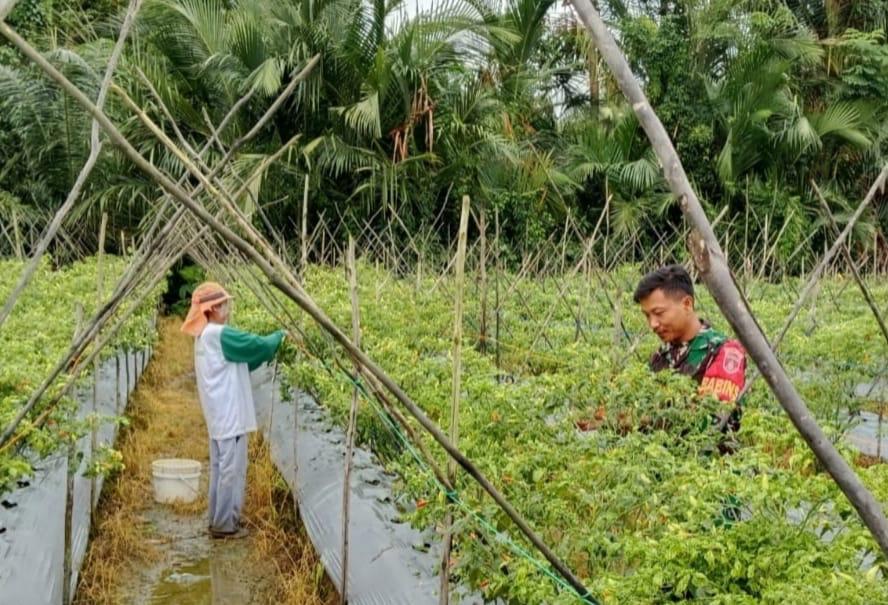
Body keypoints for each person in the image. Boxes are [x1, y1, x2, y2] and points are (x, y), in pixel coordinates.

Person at [181, 282, 285, 539]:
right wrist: (279, 337)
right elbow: (256, 345)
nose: (228, 308)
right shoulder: (219, 334)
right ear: (213, 308)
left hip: (218, 418)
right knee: (231, 471)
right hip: (230, 416)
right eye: (225, 304)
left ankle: (217, 520)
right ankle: (226, 527)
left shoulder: (203, 337)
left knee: (220, 469)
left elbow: (242, 362)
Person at [633, 264, 746, 432]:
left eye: (659, 313)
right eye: (647, 316)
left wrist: (647, 417)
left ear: (687, 304)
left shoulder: (723, 352)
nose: (653, 324)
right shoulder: (662, 355)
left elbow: (713, 421)